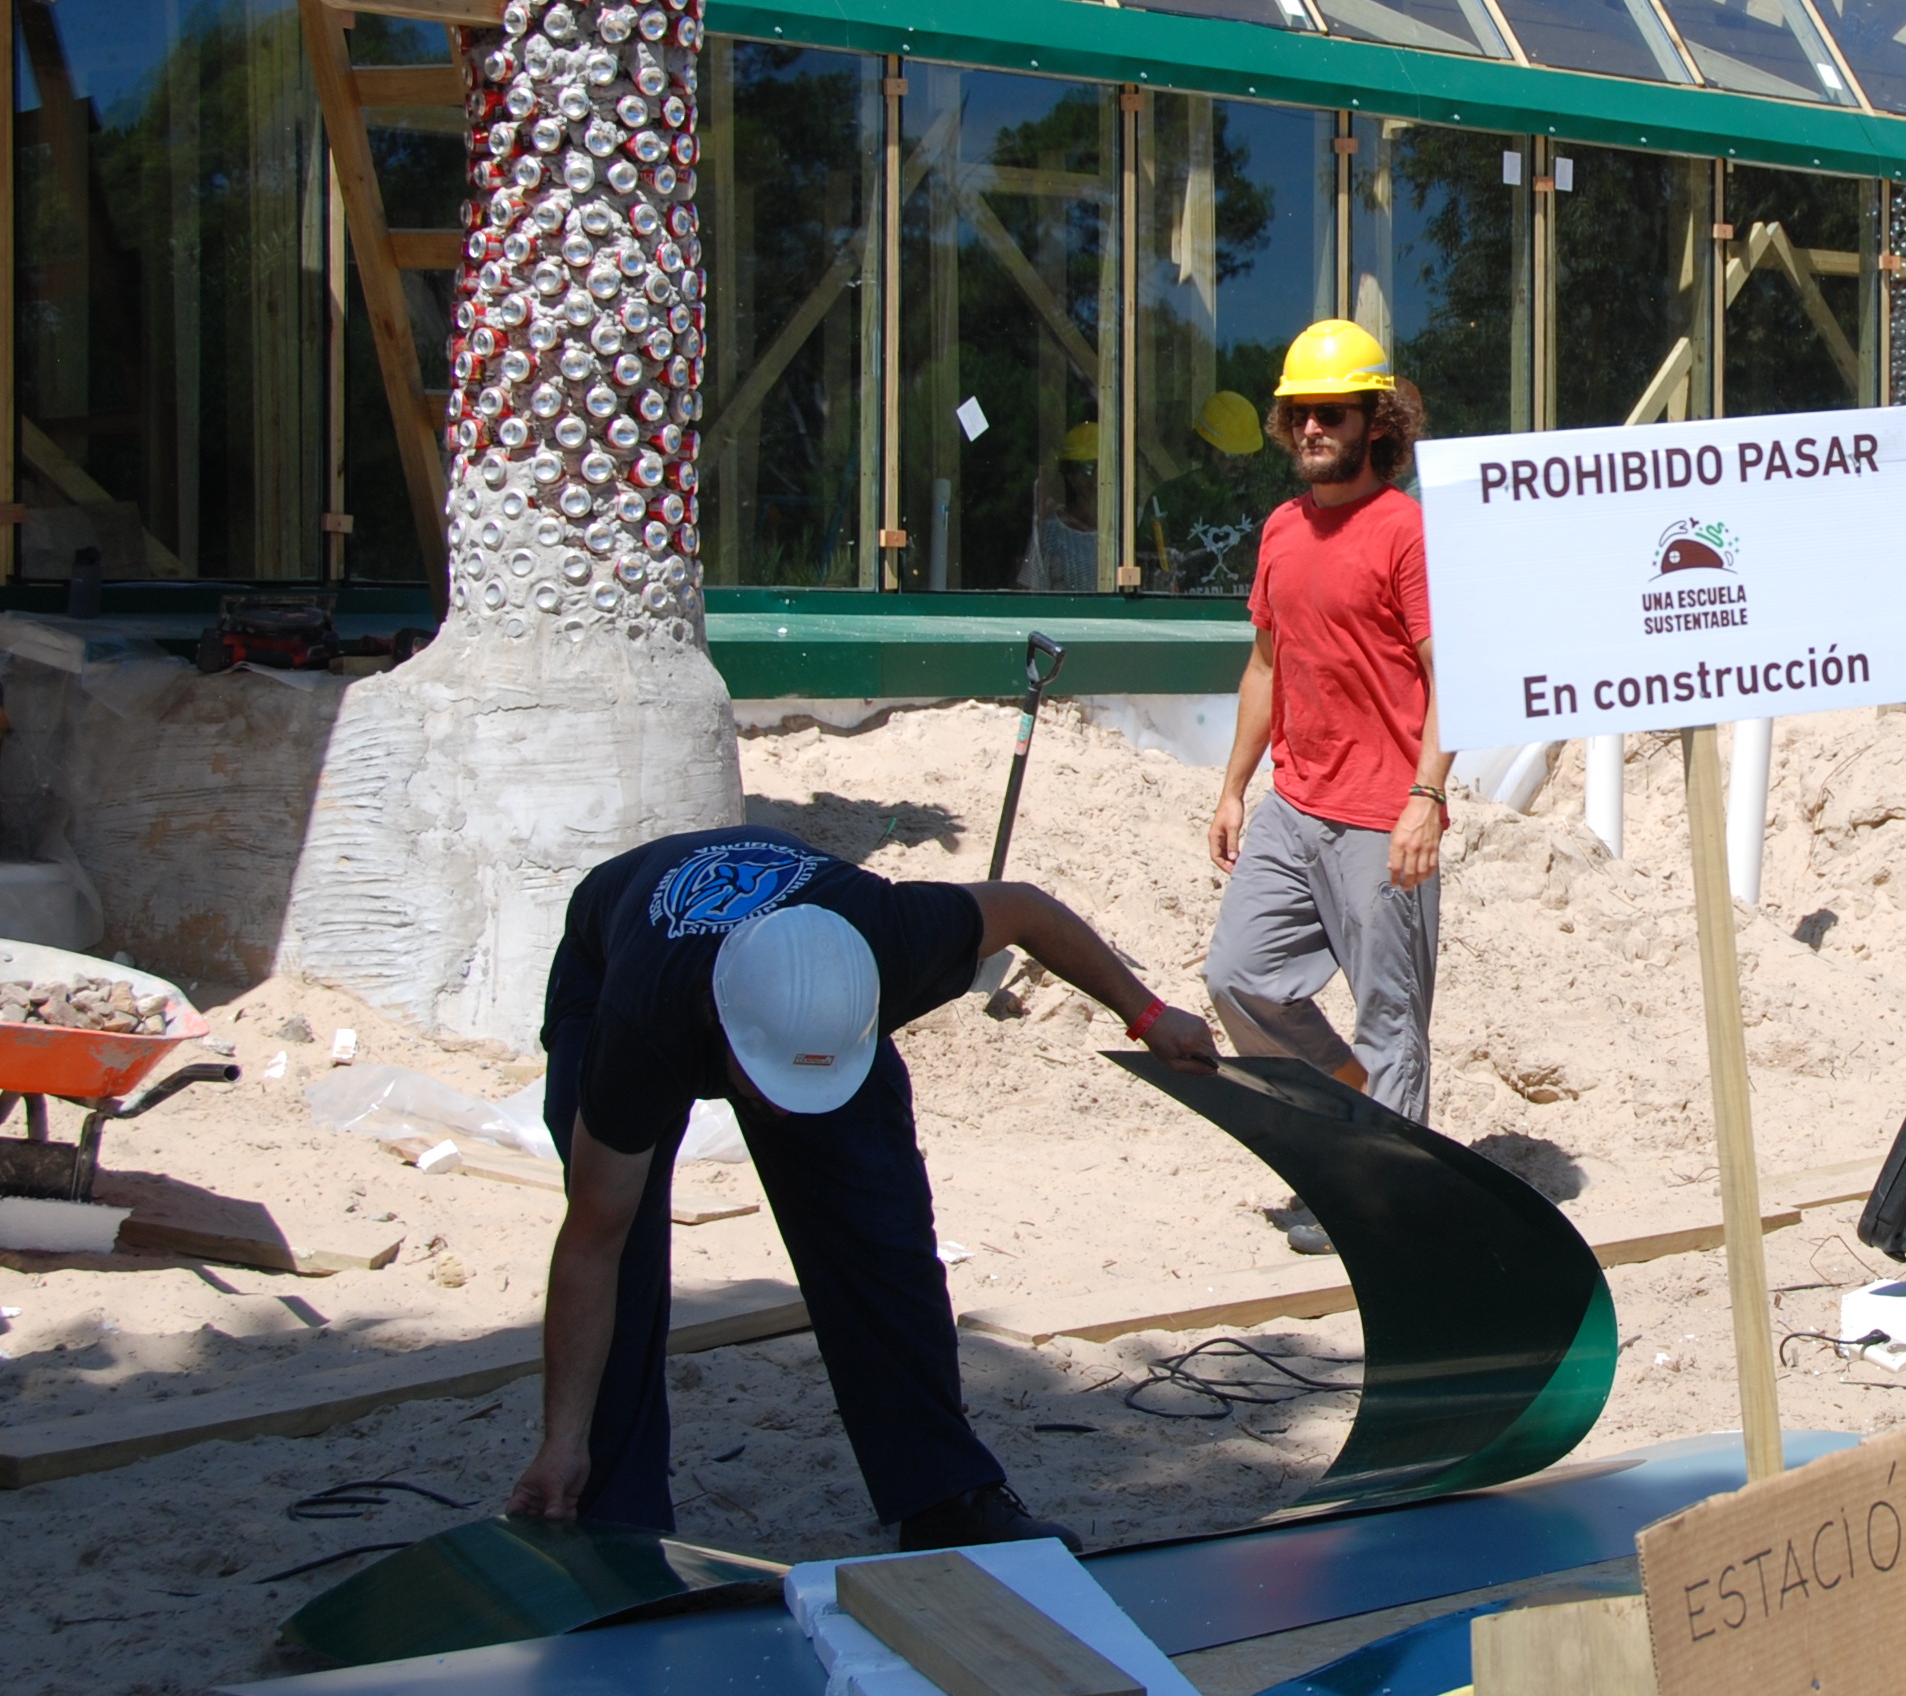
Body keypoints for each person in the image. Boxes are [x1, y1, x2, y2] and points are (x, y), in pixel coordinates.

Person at [506, 825, 1217, 1543]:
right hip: (617, 950)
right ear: (724, 1031)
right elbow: (592, 1246)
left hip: (816, 977)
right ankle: (602, 1505)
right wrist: (561, 1438)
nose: (787, 1108)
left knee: (879, 1228)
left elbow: (1029, 910)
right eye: (774, 1082)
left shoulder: (890, 935)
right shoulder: (642, 1027)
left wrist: (1147, 1014)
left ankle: (945, 1496)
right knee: (621, 1244)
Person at [1204, 320, 1451, 1253]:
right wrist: (1234, 785)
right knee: (1239, 978)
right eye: (1298, 413)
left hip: (1385, 820)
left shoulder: (1407, 534)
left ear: (1373, 423)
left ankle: (1392, 1205)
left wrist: (1425, 799)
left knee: (1391, 1022)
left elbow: (1452, 676)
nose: (1311, 429)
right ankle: (1356, 1123)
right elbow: (1265, 665)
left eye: (1331, 414)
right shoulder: (1280, 529)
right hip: (1292, 806)